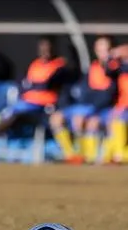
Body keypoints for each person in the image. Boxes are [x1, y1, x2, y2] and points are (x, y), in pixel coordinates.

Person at [0, 36, 70, 157]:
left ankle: (69, 154)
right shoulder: (35, 65)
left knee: (15, 115)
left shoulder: (60, 65)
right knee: (2, 116)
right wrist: (35, 85)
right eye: (42, 47)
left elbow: (48, 85)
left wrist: (35, 85)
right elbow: (24, 85)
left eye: (48, 48)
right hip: (26, 106)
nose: (45, 51)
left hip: (45, 108)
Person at [49, 35, 120, 164]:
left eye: (106, 49)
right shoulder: (93, 67)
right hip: (85, 106)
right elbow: (83, 90)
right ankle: (70, 154)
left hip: (102, 109)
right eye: (100, 49)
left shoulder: (115, 68)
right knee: (56, 118)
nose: (103, 52)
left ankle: (88, 157)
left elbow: (108, 95)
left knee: (86, 121)